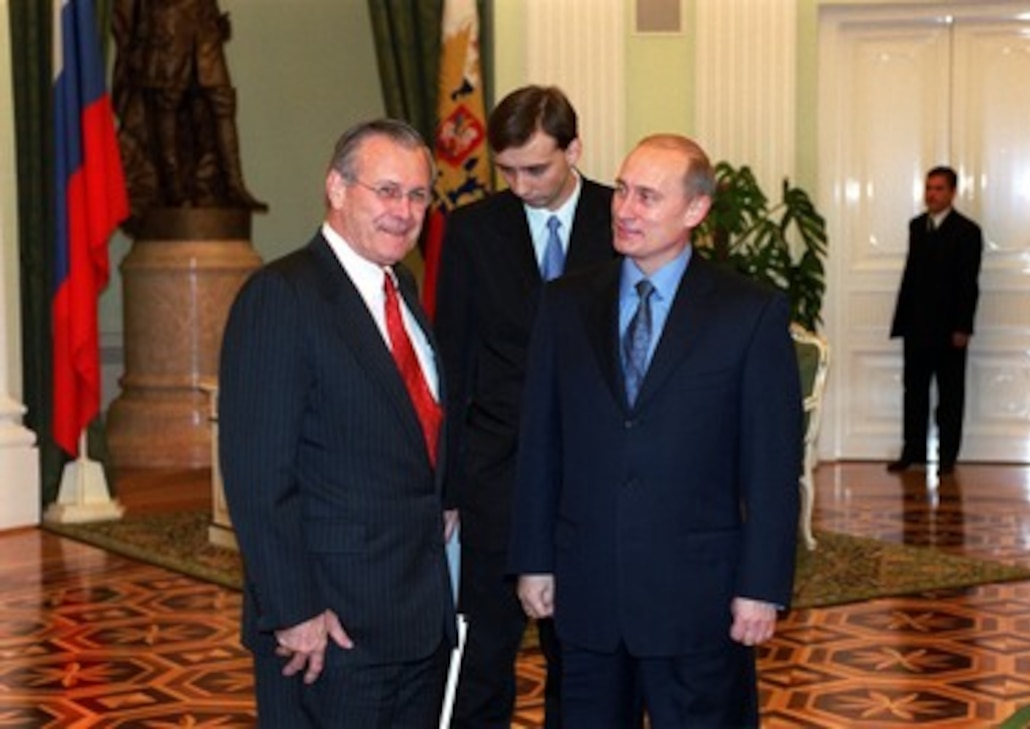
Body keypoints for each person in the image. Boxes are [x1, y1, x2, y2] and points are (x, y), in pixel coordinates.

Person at [508, 133, 802, 727]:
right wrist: (534, 559)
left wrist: (762, 586)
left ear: (695, 210)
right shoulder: (565, 305)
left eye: (646, 196)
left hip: (700, 603)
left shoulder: (750, 312)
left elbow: (772, 464)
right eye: (620, 190)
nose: (624, 209)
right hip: (586, 597)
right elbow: (541, 442)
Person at [218, 118, 456, 728]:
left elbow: (412, 437)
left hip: (415, 620)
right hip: (330, 633)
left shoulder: (400, 289)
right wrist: (294, 611)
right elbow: (257, 476)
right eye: (386, 190)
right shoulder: (282, 297)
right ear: (337, 187)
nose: (404, 211)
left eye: (418, 195)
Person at [433, 85, 616, 729]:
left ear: (575, 150)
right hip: (496, 479)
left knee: (586, 662)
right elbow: (451, 366)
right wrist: (448, 487)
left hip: (595, 483)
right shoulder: (472, 231)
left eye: (535, 168)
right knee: (482, 656)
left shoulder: (622, 219)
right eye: (506, 170)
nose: (520, 185)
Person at [112, 0, 265, 216]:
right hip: (168, 31)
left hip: (205, 32)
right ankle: (173, 190)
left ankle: (234, 185)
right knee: (168, 104)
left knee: (222, 103)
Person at [888, 166, 983, 475]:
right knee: (913, 392)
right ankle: (912, 451)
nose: (932, 194)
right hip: (917, 326)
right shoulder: (917, 226)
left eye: (939, 188)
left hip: (949, 330)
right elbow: (911, 276)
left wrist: (963, 327)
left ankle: (946, 457)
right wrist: (901, 321)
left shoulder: (968, 231)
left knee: (950, 395)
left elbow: (968, 283)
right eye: (928, 188)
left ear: (952, 193)